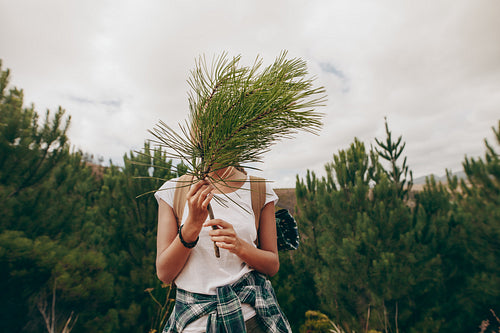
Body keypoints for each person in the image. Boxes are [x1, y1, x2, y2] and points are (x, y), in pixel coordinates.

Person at [154, 166, 292, 333]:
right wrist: (191, 227)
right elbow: (164, 273)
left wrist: (240, 246)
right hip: (193, 324)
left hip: (251, 320)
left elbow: (272, 265)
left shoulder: (259, 189)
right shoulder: (174, 190)